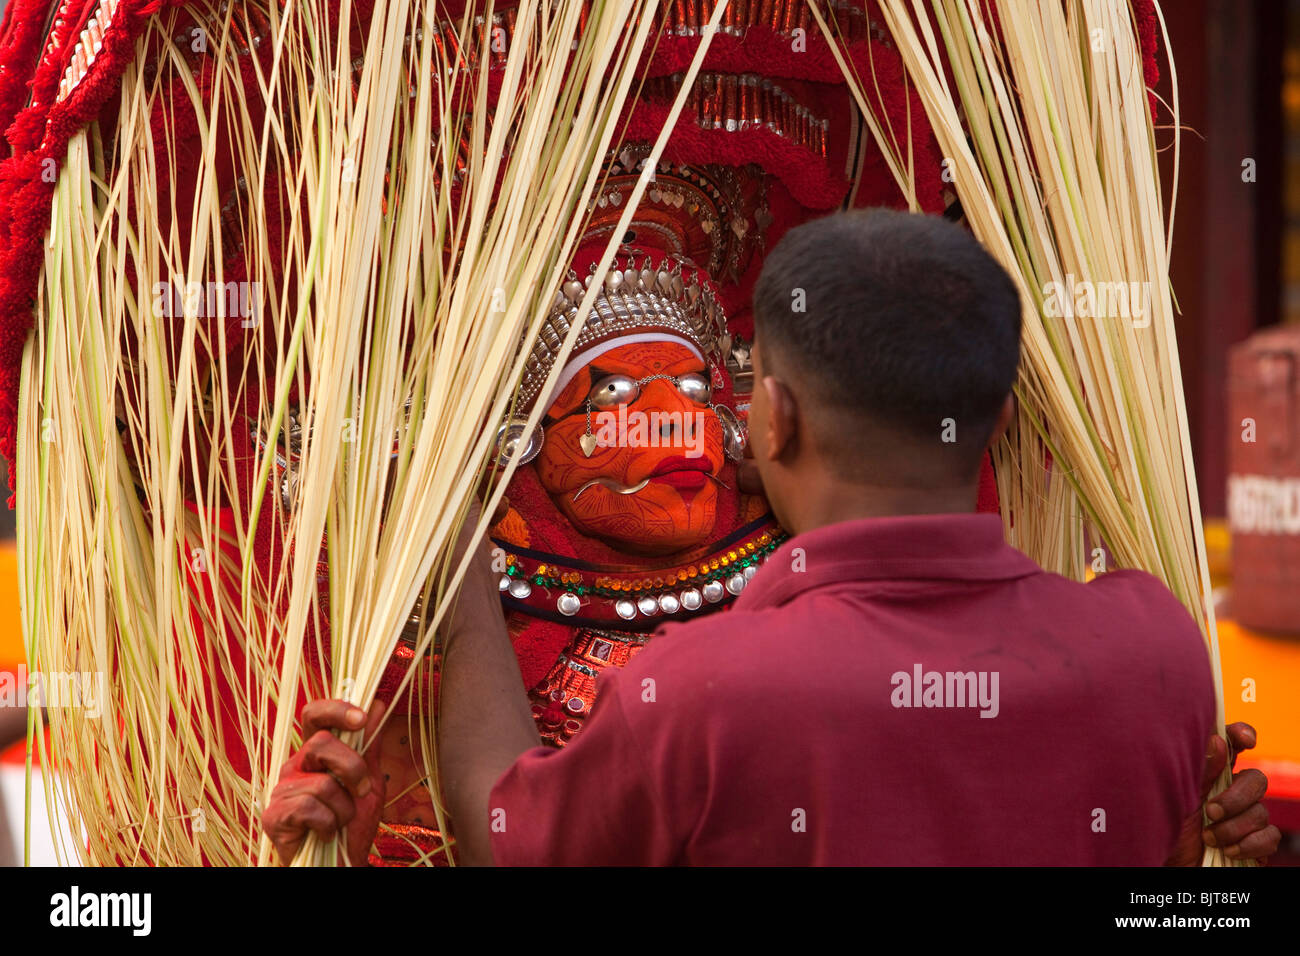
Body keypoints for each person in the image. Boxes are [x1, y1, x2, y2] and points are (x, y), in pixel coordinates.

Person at [263, 209, 1282, 866]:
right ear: (998, 419)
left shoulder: (705, 686)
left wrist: (461, 569)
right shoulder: (1153, 636)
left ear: (769, 417)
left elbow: (505, 834)